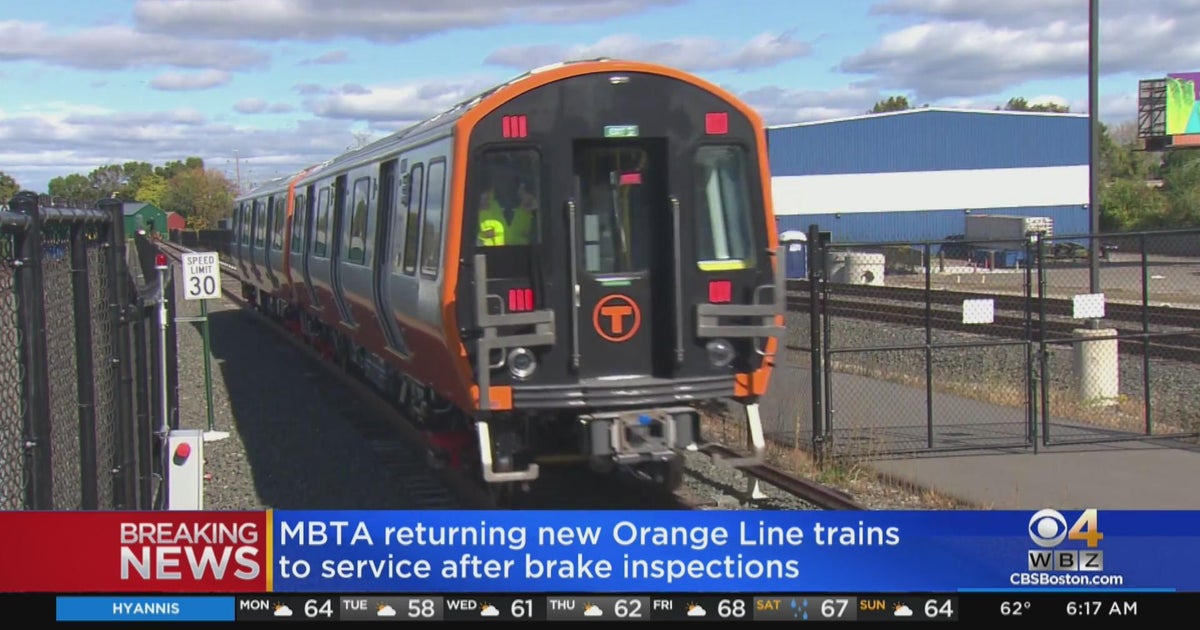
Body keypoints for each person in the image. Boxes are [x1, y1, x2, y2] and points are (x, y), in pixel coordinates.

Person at [477, 168, 536, 246]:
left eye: (506, 176)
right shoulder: (482, 201)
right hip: (491, 256)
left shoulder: (531, 201)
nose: (503, 181)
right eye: (499, 177)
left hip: (526, 256)